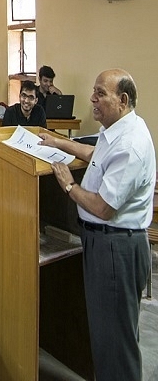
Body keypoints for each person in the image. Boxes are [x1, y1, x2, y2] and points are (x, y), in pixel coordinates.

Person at [38, 69, 155, 381]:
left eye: (100, 93)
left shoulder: (130, 144)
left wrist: (68, 186)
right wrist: (56, 142)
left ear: (123, 99)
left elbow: (104, 208)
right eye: (94, 91)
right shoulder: (118, 128)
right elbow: (93, 153)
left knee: (117, 342)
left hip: (116, 247)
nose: (92, 98)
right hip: (106, 244)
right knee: (107, 336)